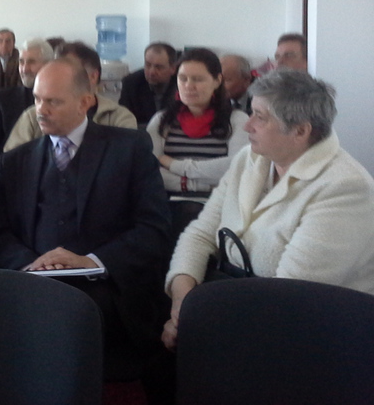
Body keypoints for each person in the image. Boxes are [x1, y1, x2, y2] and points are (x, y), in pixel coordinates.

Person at [162, 70, 374, 353]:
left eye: (260, 117)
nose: (247, 125)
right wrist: (181, 305)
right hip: (239, 307)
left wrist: (200, 320)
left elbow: (289, 300)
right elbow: (200, 234)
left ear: (300, 131)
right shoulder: (250, 159)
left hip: (313, 336)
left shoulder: (345, 188)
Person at [0, 59, 171, 383]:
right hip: (33, 280)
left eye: (53, 101)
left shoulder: (129, 148)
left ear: (85, 102)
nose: (41, 110)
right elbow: (0, 233)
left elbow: (153, 229)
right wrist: (31, 264)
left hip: (106, 285)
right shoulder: (15, 161)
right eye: (37, 99)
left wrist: (92, 261)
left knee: (66, 316)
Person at [148, 48, 249, 194]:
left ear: (217, 81)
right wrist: (198, 185)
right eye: (183, 78)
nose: (189, 86)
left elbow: (237, 167)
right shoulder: (161, 120)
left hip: (219, 201)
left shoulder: (237, 120)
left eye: (198, 79)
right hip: (168, 200)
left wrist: (174, 164)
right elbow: (150, 170)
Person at [4, 42, 137, 152]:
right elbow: (13, 165)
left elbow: (124, 164)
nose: (59, 76)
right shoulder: (33, 117)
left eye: (70, 70)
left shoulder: (118, 117)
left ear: (93, 76)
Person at [0, 38, 54, 147]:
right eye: (21, 62)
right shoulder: (2, 100)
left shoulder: (62, 100)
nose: (24, 69)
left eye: (31, 62)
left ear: (49, 65)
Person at [119, 42, 178, 128]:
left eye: (158, 67)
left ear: (173, 69)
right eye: (148, 65)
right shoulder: (131, 83)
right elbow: (123, 121)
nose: (151, 72)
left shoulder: (183, 83)